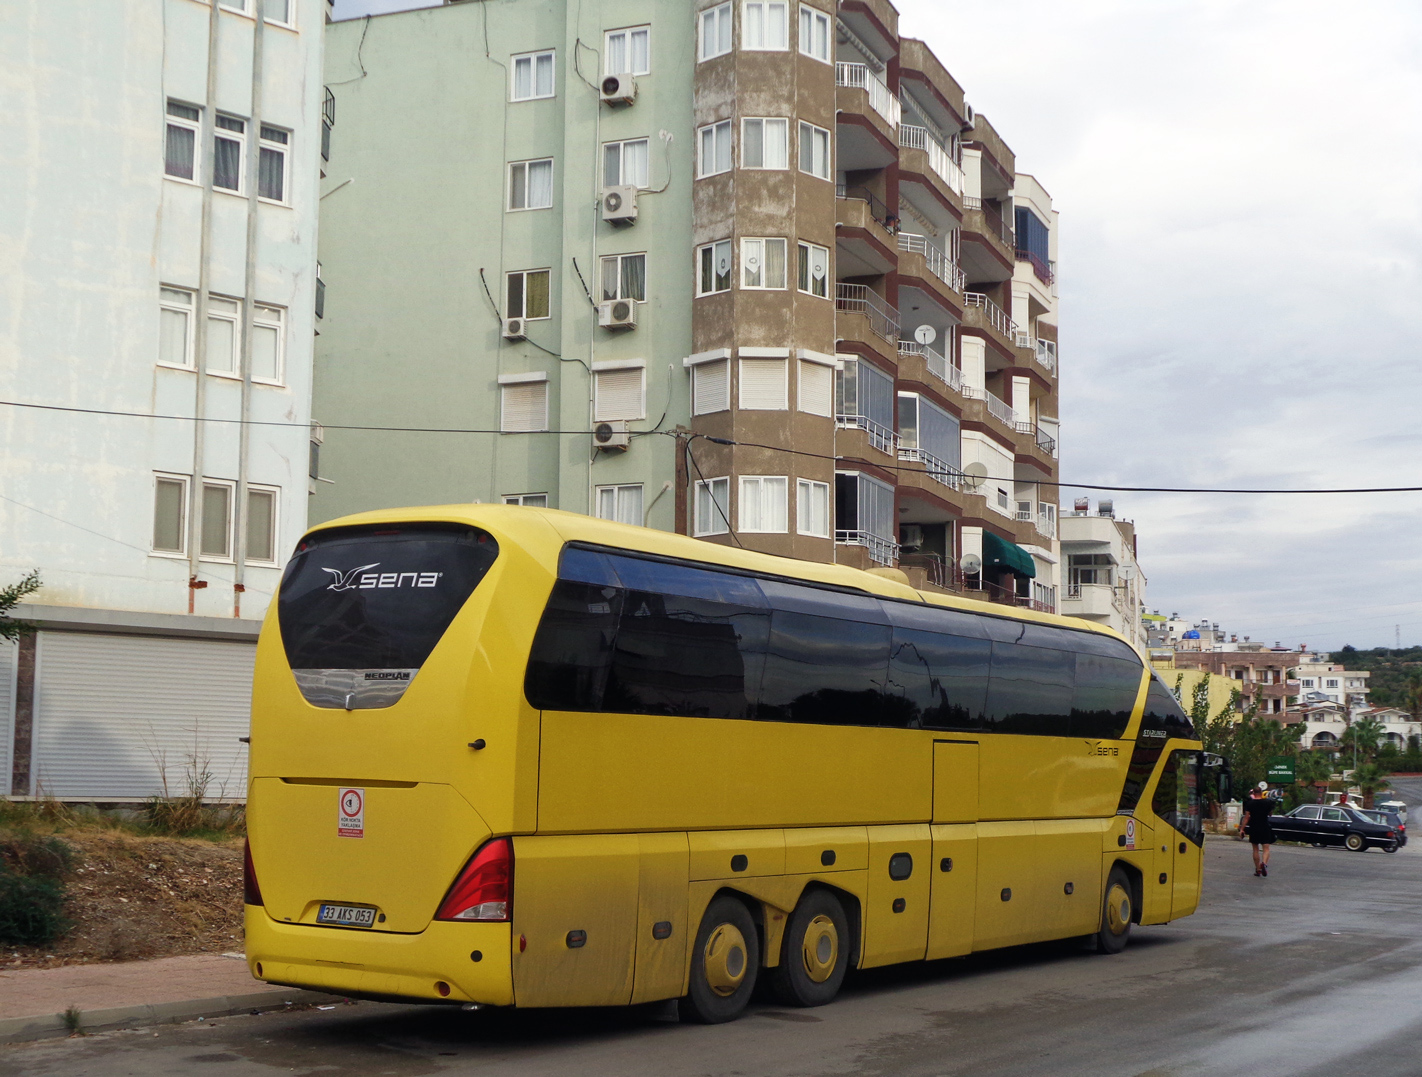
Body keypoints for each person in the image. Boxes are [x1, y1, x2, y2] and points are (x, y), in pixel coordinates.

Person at [1238, 781, 1277, 876]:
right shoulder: (1268, 803)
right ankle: (1264, 863)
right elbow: (1270, 814)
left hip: (1254, 827)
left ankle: (1258, 869)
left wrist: (1242, 829)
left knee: (1255, 849)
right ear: (1261, 793)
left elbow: (1247, 817)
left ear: (1254, 794)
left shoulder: (1250, 804)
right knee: (1266, 848)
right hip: (1265, 826)